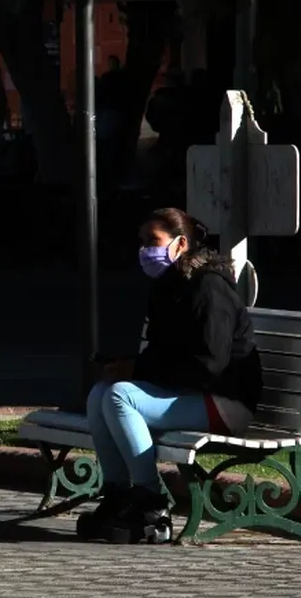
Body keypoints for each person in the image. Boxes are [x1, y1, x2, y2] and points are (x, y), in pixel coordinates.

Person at [78, 207, 262, 543]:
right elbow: (163, 352)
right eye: (142, 241)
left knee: (121, 396)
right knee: (101, 393)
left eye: (153, 240)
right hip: (189, 391)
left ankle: (151, 504)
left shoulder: (210, 289)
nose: (144, 249)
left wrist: (140, 371)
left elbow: (211, 364)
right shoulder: (168, 286)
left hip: (224, 401)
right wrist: (127, 365)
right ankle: (118, 495)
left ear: (180, 244)